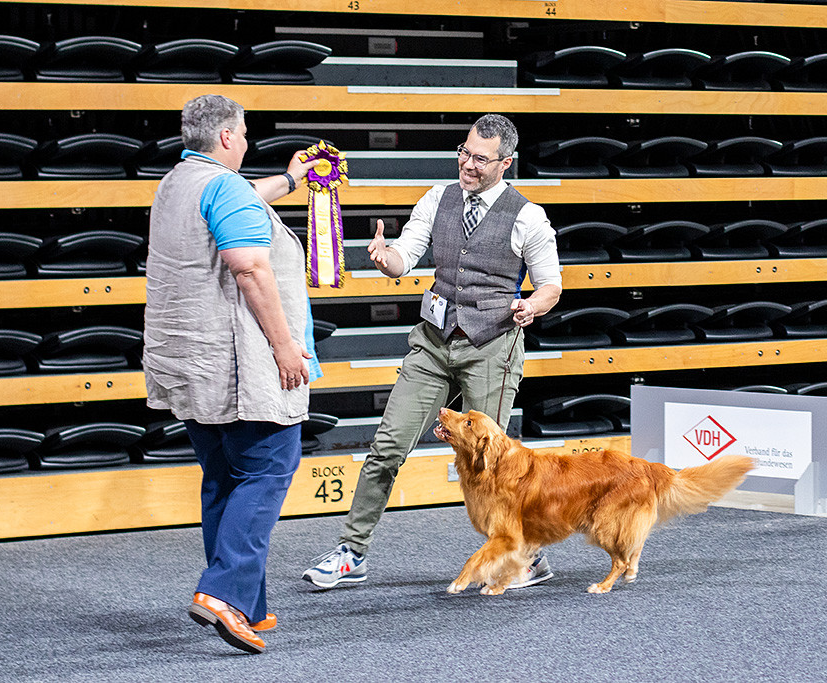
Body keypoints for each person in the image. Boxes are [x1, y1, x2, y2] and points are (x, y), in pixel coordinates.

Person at [302, 114, 562, 590]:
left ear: (505, 163)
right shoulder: (436, 199)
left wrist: (532, 306)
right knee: (387, 445)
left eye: (480, 159)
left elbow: (551, 285)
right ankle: (351, 552)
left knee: (493, 464)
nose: (467, 164)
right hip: (434, 342)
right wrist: (386, 260)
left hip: (492, 346)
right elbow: (406, 255)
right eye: (464, 152)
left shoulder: (527, 215)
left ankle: (528, 556)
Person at [143, 94, 319, 654]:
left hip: (191, 365)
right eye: (242, 133)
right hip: (239, 364)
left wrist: (291, 181)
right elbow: (249, 267)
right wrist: (286, 346)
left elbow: (240, 197)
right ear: (226, 137)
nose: (245, 141)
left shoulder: (179, 182)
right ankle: (222, 593)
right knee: (269, 468)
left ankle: (249, 602)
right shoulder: (222, 188)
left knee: (223, 476)